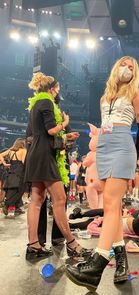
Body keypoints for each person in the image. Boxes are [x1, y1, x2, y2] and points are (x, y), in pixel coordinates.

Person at [66, 56, 139, 291]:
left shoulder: (136, 93)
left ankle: (98, 262)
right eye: (124, 65)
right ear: (116, 68)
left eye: (132, 67)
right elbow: (105, 125)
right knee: (111, 205)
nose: (127, 69)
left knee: (111, 204)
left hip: (123, 145)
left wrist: (134, 154)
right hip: (104, 145)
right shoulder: (104, 97)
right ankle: (121, 260)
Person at [24, 72, 89, 260]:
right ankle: (72, 244)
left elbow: (44, 133)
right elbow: (51, 130)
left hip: (36, 154)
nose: (59, 92)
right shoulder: (46, 102)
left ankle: (33, 245)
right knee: (59, 200)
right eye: (58, 89)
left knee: (36, 200)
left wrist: (66, 137)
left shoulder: (36, 103)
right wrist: (66, 124)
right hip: (45, 156)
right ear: (52, 89)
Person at [0, 138, 26, 216]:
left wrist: (4, 163)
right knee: (20, 190)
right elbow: (24, 162)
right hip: (20, 173)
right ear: (22, 144)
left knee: (12, 190)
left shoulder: (10, 150)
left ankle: (17, 208)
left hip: (11, 172)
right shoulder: (23, 150)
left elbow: (0, 154)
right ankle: (7, 204)